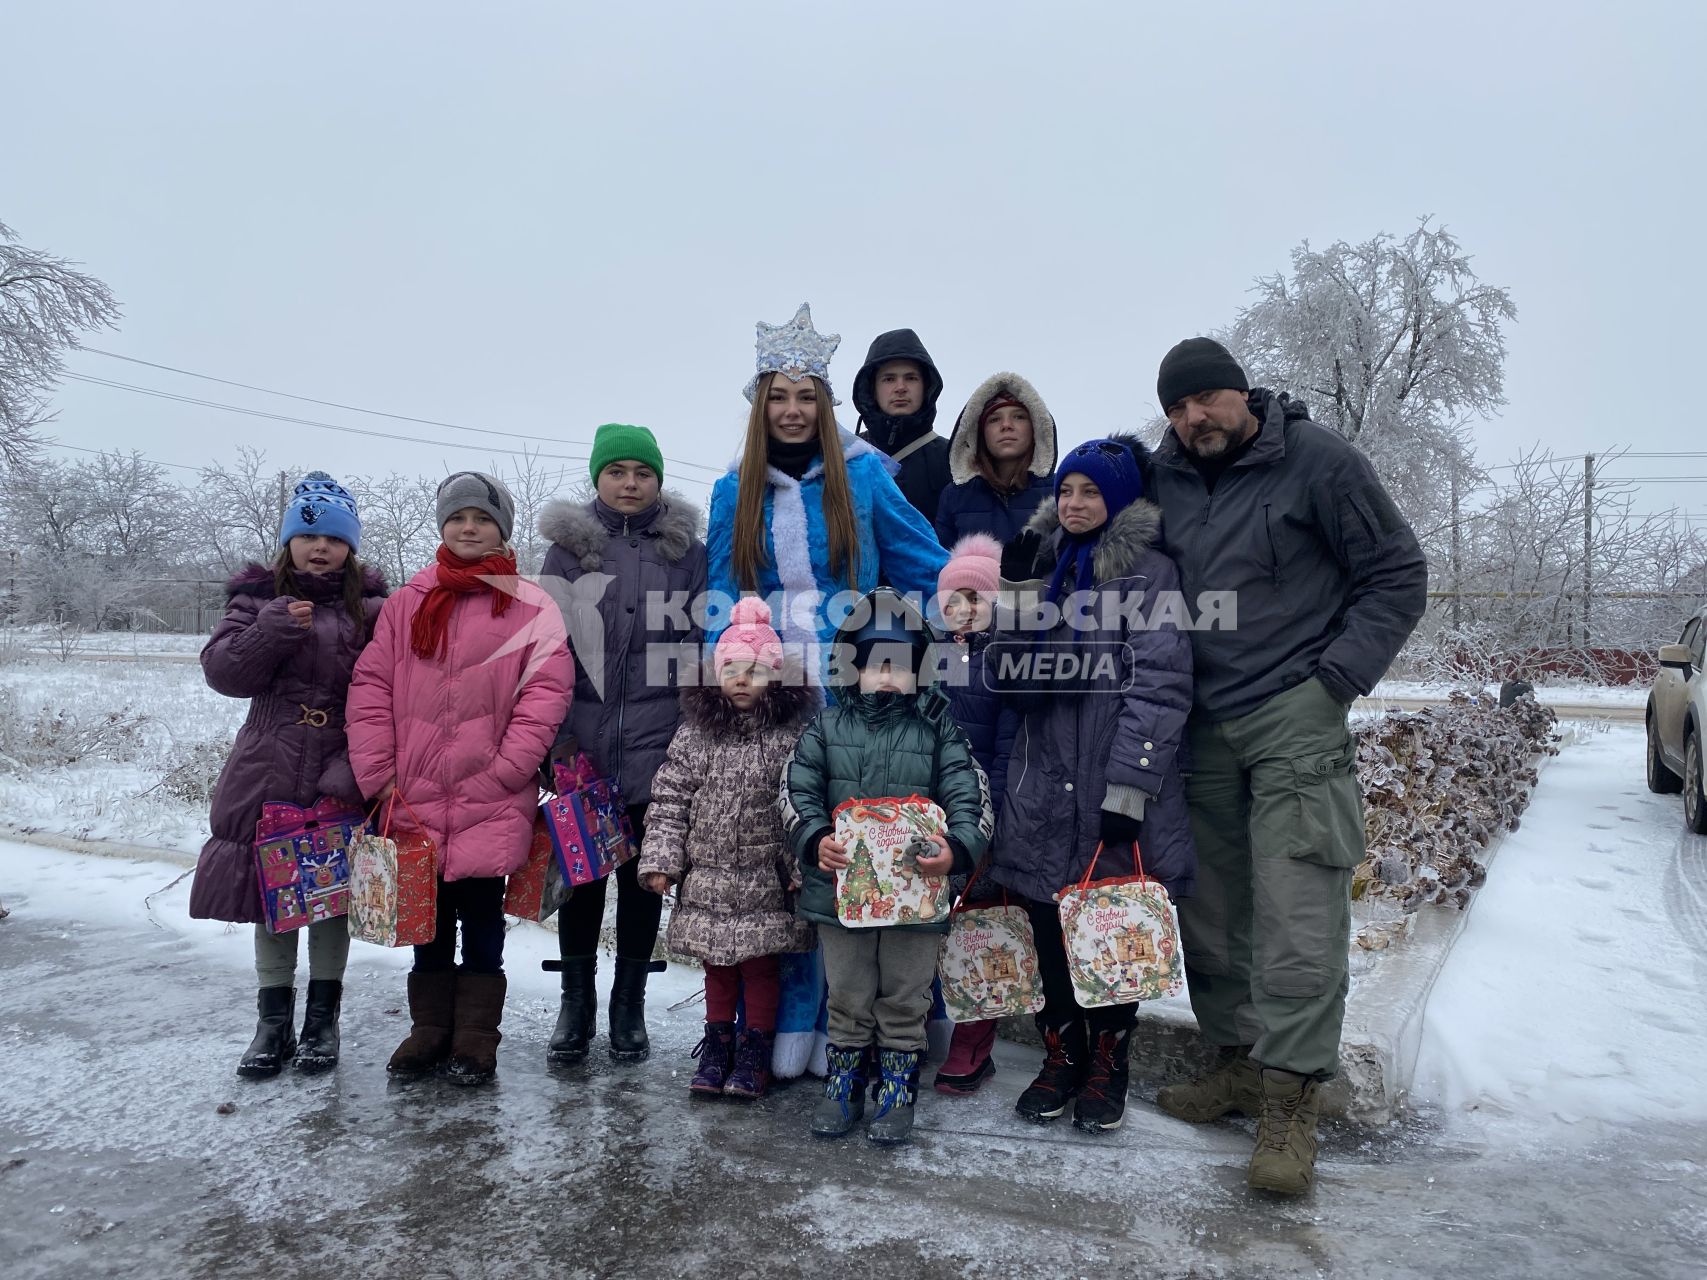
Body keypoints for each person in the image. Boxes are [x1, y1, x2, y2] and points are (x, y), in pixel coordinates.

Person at [1145, 337, 1428, 1194]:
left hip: (1292, 719)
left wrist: (1333, 683)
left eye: (1208, 399)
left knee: (1299, 913)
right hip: (1198, 729)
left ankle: (1290, 1103)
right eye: (1178, 407)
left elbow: (1396, 573)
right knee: (1213, 911)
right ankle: (1233, 1062)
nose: (1196, 418)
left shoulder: (1318, 462)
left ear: (1244, 393)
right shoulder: (1161, 476)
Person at [989, 436, 1196, 1134]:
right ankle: (1062, 1055)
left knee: (1110, 933)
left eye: (1091, 493)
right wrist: (1012, 607)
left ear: (1120, 502)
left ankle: (1109, 1059)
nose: (1074, 505)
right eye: (1066, 491)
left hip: (1111, 784)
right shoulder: (1047, 567)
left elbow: (1162, 682)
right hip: (1043, 783)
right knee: (1049, 928)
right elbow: (1007, 680)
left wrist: (1130, 787)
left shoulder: (1150, 576)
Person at [347, 472, 573, 1087]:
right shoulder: (408, 603)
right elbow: (371, 688)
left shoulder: (531, 604)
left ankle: (475, 1037)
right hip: (413, 792)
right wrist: (378, 774)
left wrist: (510, 768)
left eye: (482, 519)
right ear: (443, 527)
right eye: (458, 518)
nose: (469, 528)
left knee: (480, 913)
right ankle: (429, 1030)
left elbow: (547, 691)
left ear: (502, 529)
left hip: (490, 792)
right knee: (426, 913)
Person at [781, 587, 994, 1145]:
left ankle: (897, 1092)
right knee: (849, 991)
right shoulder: (825, 729)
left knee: (905, 994)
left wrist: (956, 848)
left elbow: (970, 796)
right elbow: (795, 790)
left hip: (915, 897)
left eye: (899, 667)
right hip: (842, 895)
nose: (886, 677)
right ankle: (845, 1086)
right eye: (874, 665)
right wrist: (814, 838)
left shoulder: (940, 730)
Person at [192, 473, 387, 1079]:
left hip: (340, 763)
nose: (319, 546)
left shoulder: (374, 610)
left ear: (350, 546)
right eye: (307, 535)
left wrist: (356, 767)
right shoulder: (254, 603)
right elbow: (224, 673)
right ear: (288, 543)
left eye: (332, 536)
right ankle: (271, 1022)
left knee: (327, 897)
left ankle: (322, 1023)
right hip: (267, 764)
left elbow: (388, 692)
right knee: (271, 894)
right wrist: (270, 631)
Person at [536, 424, 707, 1065]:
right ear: (597, 478)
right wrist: (556, 737)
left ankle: (627, 1007)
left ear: (658, 479)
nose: (630, 483)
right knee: (582, 879)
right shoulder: (568, 548)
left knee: (644, 879)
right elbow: (548, 647)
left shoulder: (687, 551)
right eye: (617, 472)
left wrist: (693, 732)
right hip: (582, 740)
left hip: (661, 741)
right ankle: (575, 1005)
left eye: (642, 472)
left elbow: (695, 646)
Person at [705, 303, 948, 680]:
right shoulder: (733, 491)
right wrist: (720, 678)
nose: (792, 411)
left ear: (821, 406)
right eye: (778, 397)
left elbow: (916, 556)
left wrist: (973, 599)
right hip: (768, 688)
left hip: (853, 681)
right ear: (760, 407)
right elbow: (722, 594)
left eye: (805, 398)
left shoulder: (862, 474)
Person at [637, 598, 818, 1099]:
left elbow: (803, 802)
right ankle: (717, 1046)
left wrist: (801, 866)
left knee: (760, 967)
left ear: (774, 678)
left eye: (754, 670)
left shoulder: (790, 737)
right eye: (732, 669)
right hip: (708, 877)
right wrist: (661, 859)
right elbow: (670, 798)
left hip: (766, 877)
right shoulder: (696, 735)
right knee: (717, 968)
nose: (741, 679)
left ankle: (755, 1049)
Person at [926, 534, 1018, 1095]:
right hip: (929, 808)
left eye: (974, 599)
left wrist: (997, 809)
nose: (962, 610)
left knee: (981, 924)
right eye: (951, 600)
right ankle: (906, 1031)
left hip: (983, 807)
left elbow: (1010, 743)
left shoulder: (1005, 658)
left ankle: (974, 1042)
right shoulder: (929, 655)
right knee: (924, 921)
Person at [934, 372, 1058, 547]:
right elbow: (941, 563)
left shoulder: (1059, 490)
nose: (1006, 425)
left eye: (1019, 417)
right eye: (994, 419)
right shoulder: (955, 496)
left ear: (1036, 428)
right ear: (979, 433)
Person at [851, 328, 953, 523]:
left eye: (911, 378)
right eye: (889, 379)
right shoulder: (847, 455)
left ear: (926, 386)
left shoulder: (952, 458)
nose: (900, 388)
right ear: (872, 389)